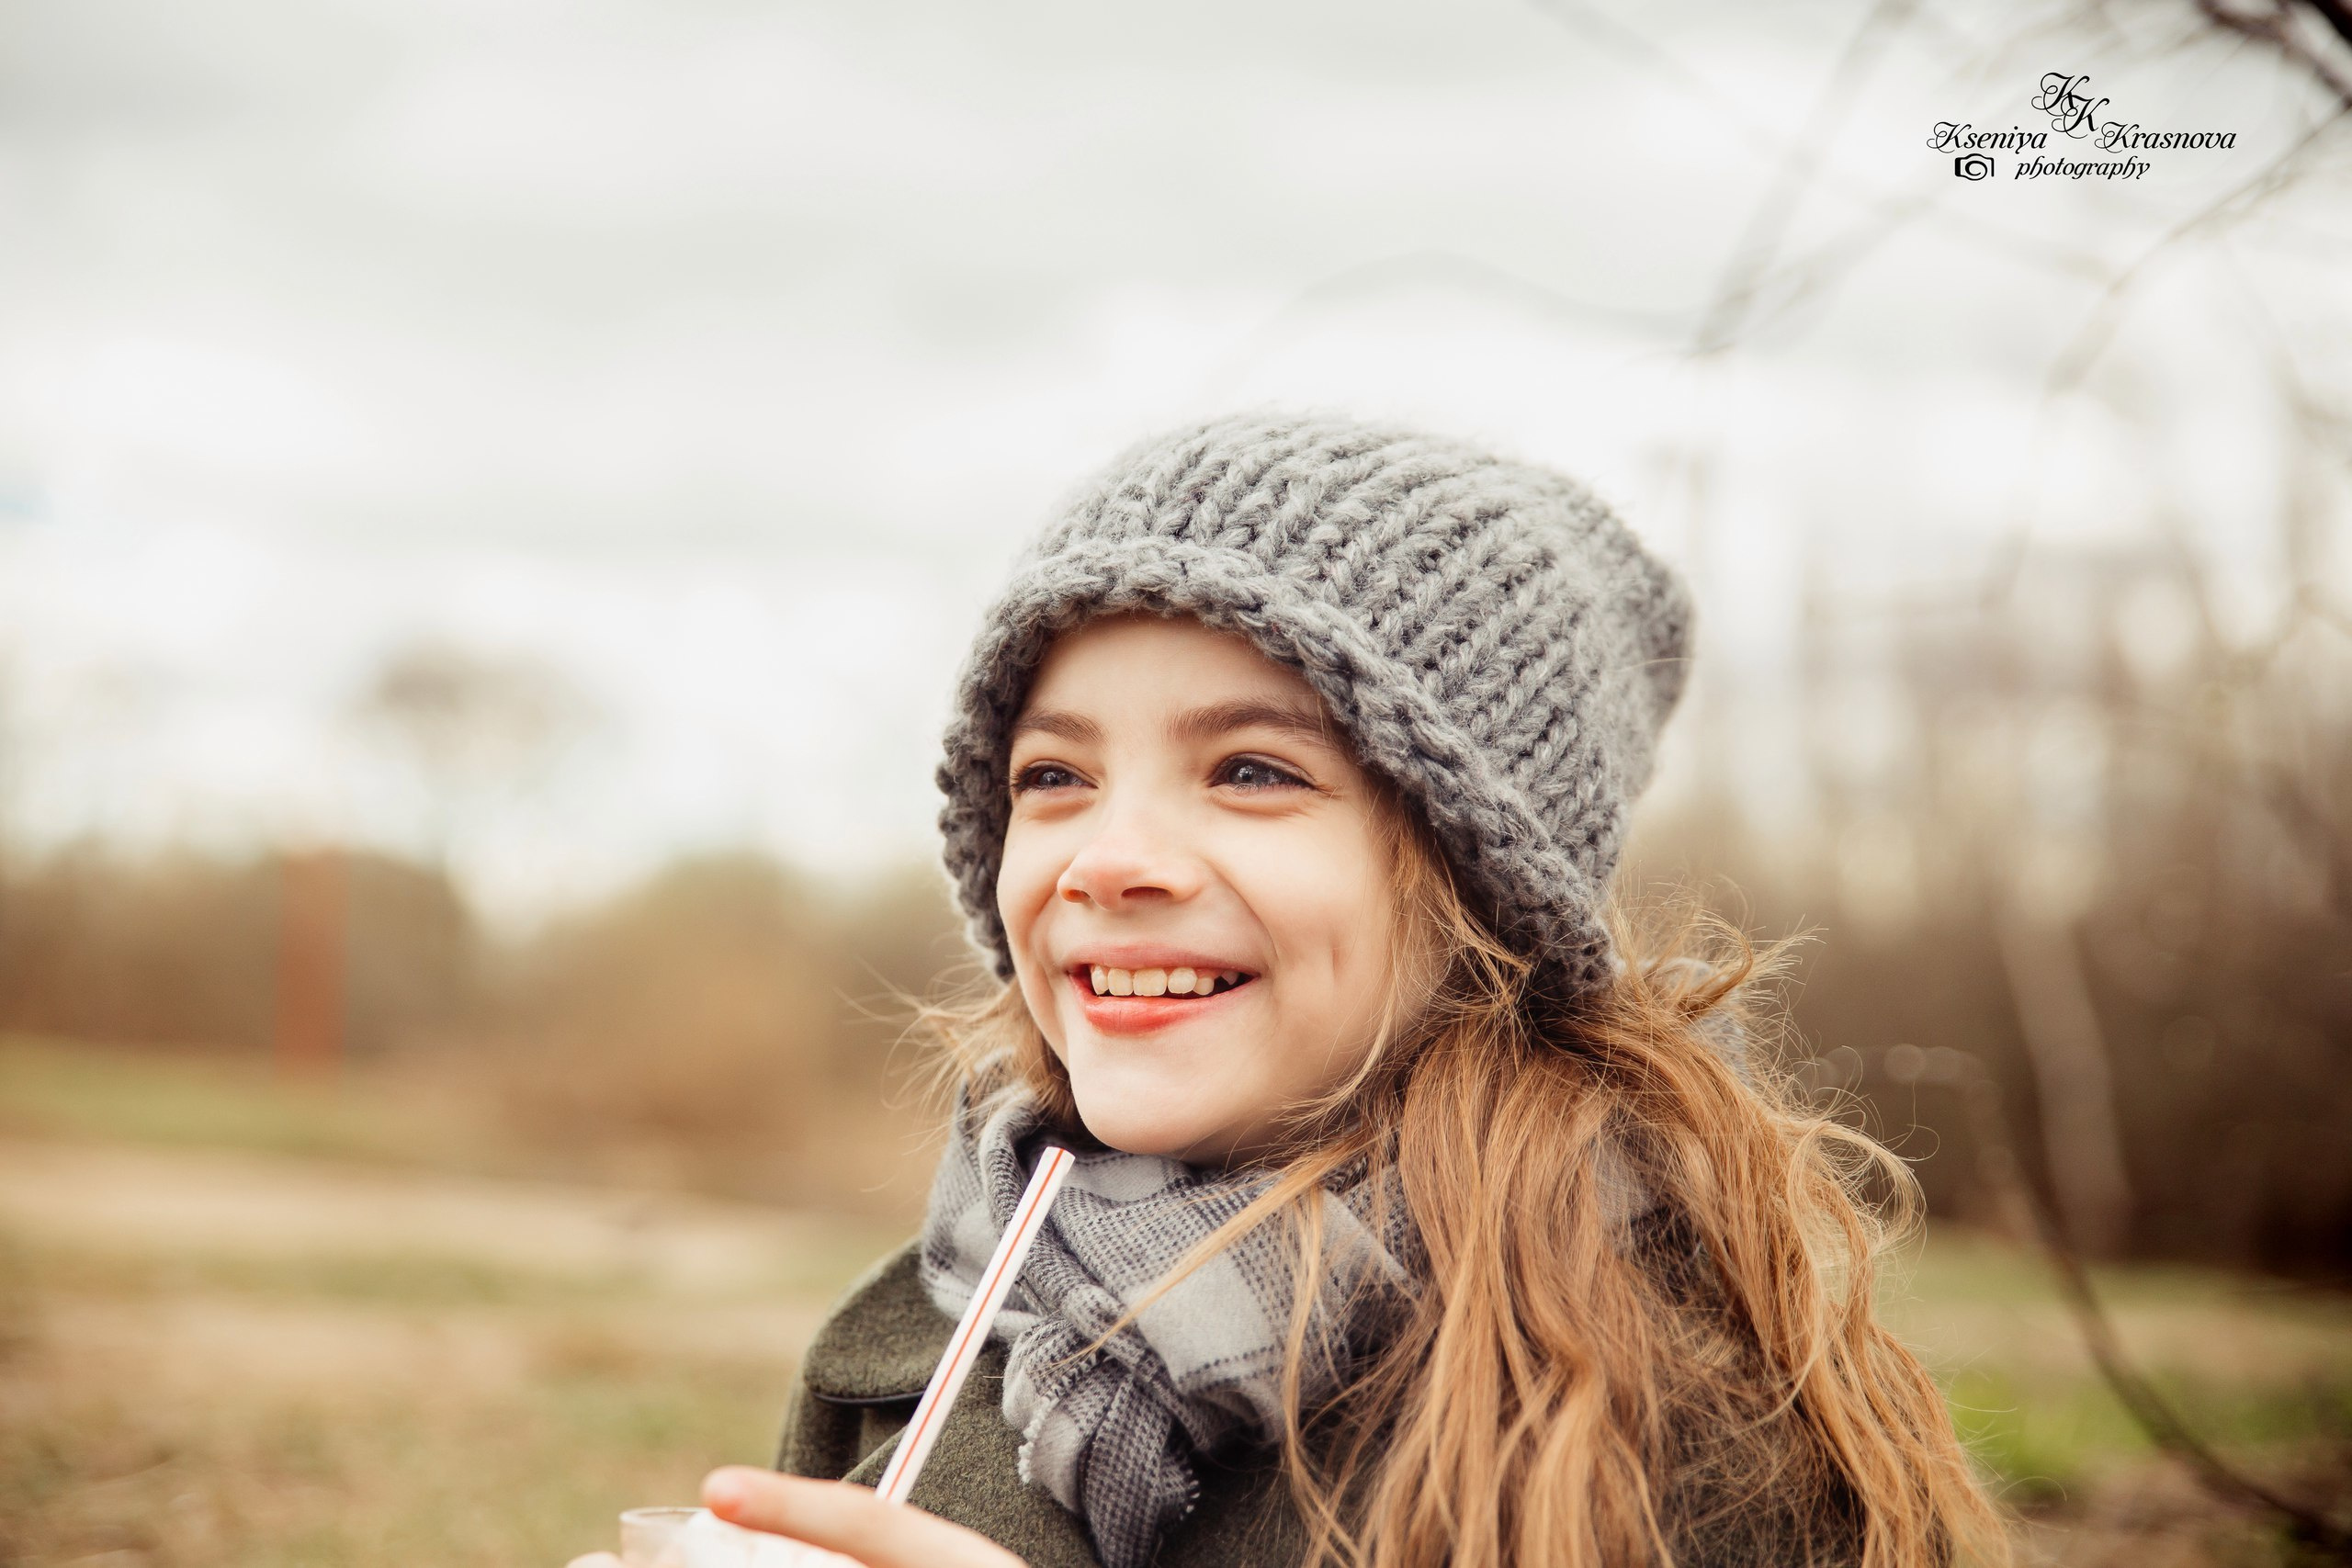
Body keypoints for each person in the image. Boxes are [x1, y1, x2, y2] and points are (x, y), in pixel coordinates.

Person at [570, 411, 2007, 1568]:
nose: (1108, 858)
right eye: (1056, 777)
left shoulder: (1651, 1425)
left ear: (1479, 886)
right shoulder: (926, 1329)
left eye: (1252, 770)